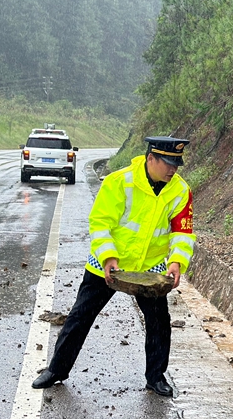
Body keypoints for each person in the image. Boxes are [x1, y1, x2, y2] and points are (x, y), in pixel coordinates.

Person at [32, 136, 196, 396]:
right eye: (167, 163)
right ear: (150, 158)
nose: (172, 169)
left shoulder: (180, 190)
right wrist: (108, 256)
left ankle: (155, 377)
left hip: (149, 267)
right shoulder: (119, 181)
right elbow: (100, 222)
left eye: (176, 164)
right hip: (107, 264)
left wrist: (176, 262)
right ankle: (56, 370)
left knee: (159, 322)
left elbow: (182, 233)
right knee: (80, 316)